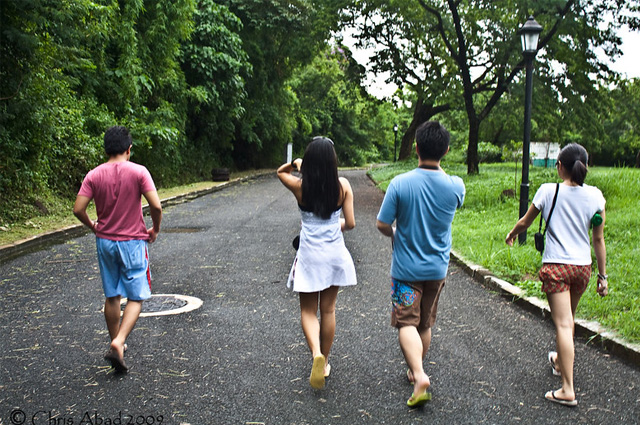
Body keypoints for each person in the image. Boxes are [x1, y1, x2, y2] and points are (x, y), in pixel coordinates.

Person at [506, 143, 607, 407]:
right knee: (569, 321)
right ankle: (560, 362)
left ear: (559, 166)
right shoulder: (596, 196)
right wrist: (603, 276)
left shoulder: (549, 191)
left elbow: (526, 221)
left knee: (563, 324)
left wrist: (512, 234)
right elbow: (598, 239)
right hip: (582, 269)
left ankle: (567, 389)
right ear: (584, 166)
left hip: (556, 268)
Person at [376, 121, 465, 407]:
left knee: (405, 322)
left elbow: (382, 223)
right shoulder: (455, 186)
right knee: (424, 322)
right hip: (437, 269)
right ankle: (416, 372)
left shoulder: (400, 183)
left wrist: (395, 234)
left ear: (415, 147)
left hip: (406, 269)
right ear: (447, 151)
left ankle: (419, 374)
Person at [73, 125, 162, 373]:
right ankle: (119, 340)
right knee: (136, 295)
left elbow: (78, 208)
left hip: (105, 242)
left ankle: (116, 344)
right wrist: (154, 228)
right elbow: (156, 205)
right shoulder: (139, 172)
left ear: (106, 149)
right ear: (129, 149)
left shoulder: (94, 175)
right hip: (133, 241)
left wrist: (93, 225)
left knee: (112, 294)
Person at [277, 136, 357, 389]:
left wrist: (297, 164)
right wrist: (335, 225)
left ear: (309, 162)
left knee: (308, 311)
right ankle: (326, 359)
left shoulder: (300, 187)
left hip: (310, 257)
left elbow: (279, 172)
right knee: (328, 310)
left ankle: (315, 355)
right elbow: (351, 223)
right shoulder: (342, 186)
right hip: (334, 255)